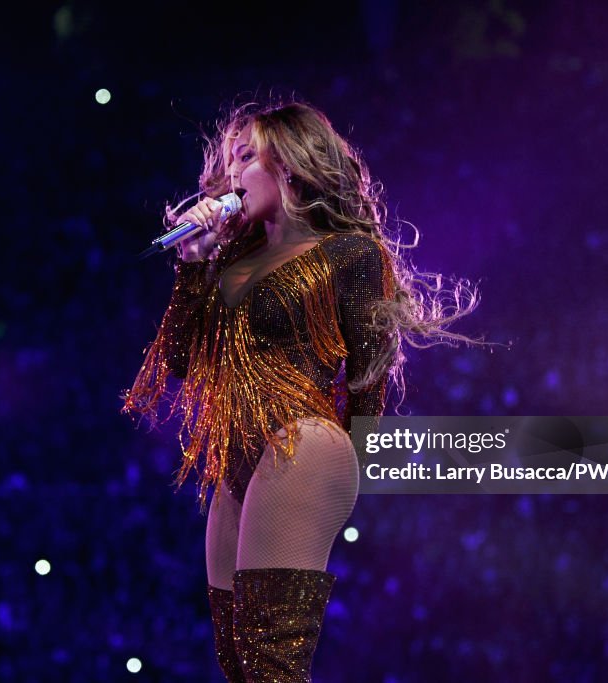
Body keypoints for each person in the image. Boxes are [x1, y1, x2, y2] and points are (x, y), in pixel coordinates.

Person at [123, 100, 478, 682]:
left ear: (289, 164)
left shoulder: (348, 252)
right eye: (229, 161)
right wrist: (191, 264)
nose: (231, 176)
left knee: (272, 664)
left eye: (245, 157)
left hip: (302, 443)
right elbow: (181, 362)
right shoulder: (226, 259)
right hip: (236, 461)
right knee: (239, 664)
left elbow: (369, 375)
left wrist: (349, 470)